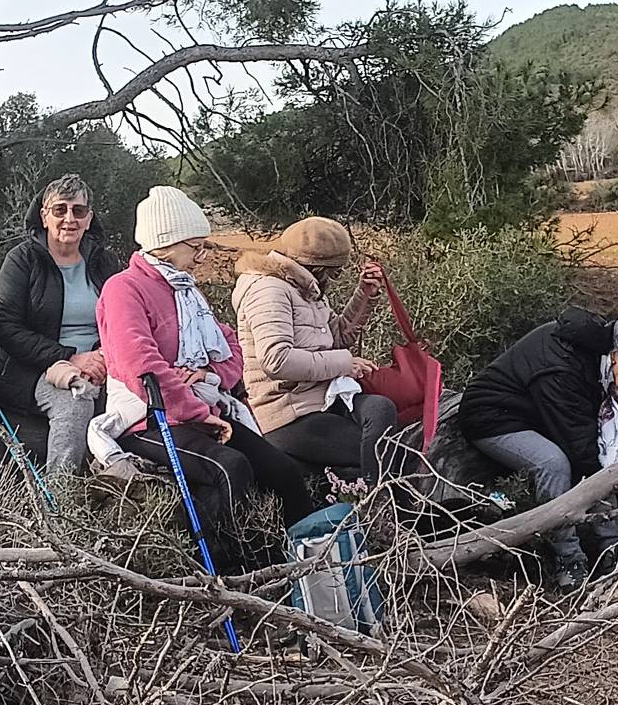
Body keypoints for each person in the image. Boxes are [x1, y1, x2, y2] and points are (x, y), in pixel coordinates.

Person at [97, 186, 314, 568]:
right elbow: (140, 364)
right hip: (148, 419)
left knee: (283, 471)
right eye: (195, 247)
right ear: (166, 243)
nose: (201, 257)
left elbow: (231, 349)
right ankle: (235, 573)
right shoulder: (123, 290)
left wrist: (208, 373)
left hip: (202, 407)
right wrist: (197, 410)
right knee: (230, 468)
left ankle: (305, 562)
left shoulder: (187, 291)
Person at [458, 308, 618, 590]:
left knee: (609, 453)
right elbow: (585, 456)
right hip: (492, 417)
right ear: (617, 356)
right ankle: (570, 561)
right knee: (554, 463)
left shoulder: (594, 353)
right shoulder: (562, 368)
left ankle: (613, 554)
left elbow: (595, 442)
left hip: (534, 412)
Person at [231, 217, 397, 487]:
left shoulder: (305, 288)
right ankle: (378, 507)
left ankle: (374, 495)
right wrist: (345, 364)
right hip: (288, 413)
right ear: (317, 266)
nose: (334, 278)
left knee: (381, 409)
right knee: (384, 452)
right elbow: (276, 359)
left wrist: (365, 295)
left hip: (324, 399)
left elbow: (339, 337)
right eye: (334, 271)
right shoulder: (268, 290)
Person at [0, 174, 121, 473]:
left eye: (78, 211)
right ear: (44, 216)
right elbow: (6, 327)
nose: (69, 219)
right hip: (33, 369)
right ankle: (61, 497)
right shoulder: (22, 260)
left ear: (89, 218)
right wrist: (70, 357)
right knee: (77, 403)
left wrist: (102, 356)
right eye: (60, 210)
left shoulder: (105, 262)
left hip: (103, 364)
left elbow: (122, 319)